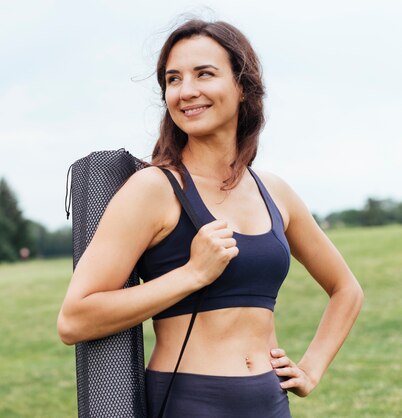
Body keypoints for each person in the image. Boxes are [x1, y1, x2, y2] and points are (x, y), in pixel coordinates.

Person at [57, 18, 363, 417]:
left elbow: (346, 289)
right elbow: (74, 319)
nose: (186, 91)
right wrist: (191, 274)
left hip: (269, 402)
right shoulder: (153, 189)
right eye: (173, 79)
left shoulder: (275, 191)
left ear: (242, 86)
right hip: (190, 402)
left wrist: (310, 369)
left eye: (204, 74)